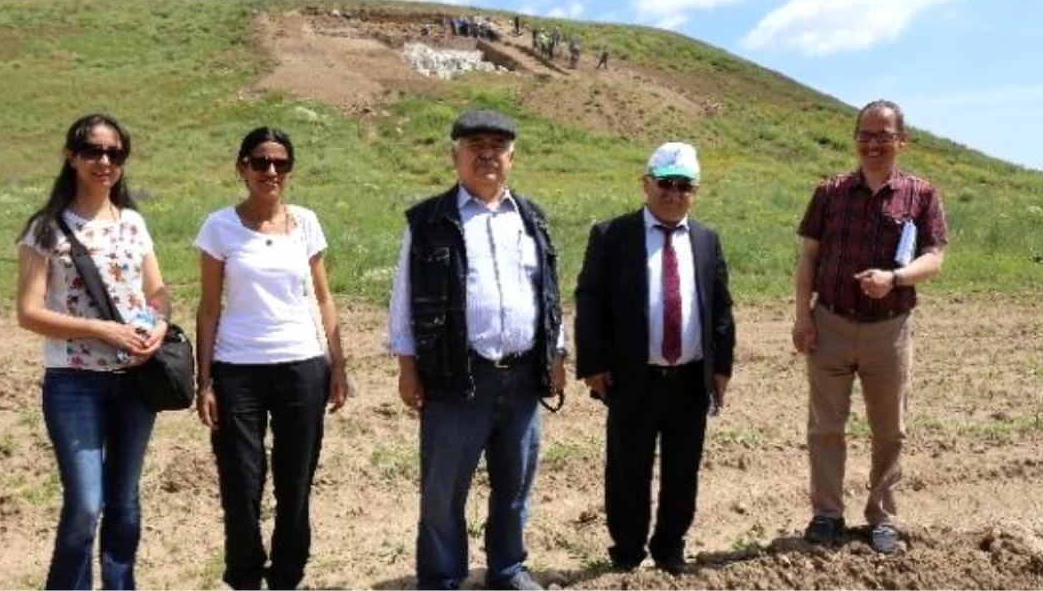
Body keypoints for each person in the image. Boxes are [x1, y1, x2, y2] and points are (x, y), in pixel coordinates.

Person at [387, 109, 567, 591]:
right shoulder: (428, 220)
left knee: (514, 485)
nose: (487, 154)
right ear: (455, 155)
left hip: (523, 375)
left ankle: (508, 568)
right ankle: (443, 576)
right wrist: (408, 366)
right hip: (455, 375)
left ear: (512, 156)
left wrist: (557, 352)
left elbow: (547, 291)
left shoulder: (531, 218)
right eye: (475, 145)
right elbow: (404, 297)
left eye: (498, 146)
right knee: (444, 489)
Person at [16, 113, 171, 591]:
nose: (104, 161)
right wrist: (100, 329)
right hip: (74, 382)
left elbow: (157, 293)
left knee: (123, 500)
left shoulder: (133, 223)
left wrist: (157, 329)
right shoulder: (45, 228)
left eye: (115, 153)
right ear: (71, 157)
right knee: (86, 503)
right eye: (93, 151)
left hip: (134, 379)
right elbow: (28, 312)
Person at [194, 126, 349, 591]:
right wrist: (204, 382)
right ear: (242, 168)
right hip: (237, 368)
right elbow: (208, 307)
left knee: (295, 481)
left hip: (302, 365)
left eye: (280, 163)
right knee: (241, 484)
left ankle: (286, 576)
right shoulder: (219, 226)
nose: (270, 171)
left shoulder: (306, 222)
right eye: (260, 162)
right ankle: (244, 578)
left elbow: (324, 298)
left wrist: (337, 365)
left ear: (290, 171)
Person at [792, 100, 948, 555]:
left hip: (889, 329)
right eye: (866, 134)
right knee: (825, 427)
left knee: (889, 429)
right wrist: (803, 316)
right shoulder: (830, 192)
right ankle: (827, 515)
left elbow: (934, 258)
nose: (873, 144)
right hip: (832, 323)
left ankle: (882, 515)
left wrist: (894, 279)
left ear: (902, 139)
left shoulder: (921, 195)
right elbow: (808, 260)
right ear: (855, 138)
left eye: (883, 135)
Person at [575, 141, 735, 574]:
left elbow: (720, 306)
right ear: (646, 184)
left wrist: (721, 368)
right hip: (632, 377)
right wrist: (592, 364)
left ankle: (670, 548)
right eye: (665, 183)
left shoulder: (706, 239)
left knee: (683, 472)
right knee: (628, 470)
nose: (674, 193)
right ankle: (626, 552)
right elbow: (590, 300)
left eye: (684, 185)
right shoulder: (612, 235)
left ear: (695, 190)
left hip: (688, 379)